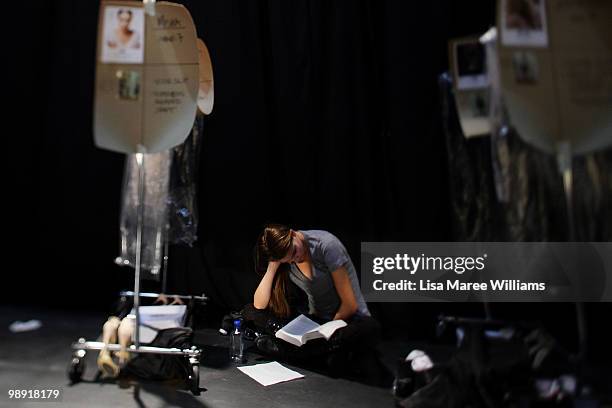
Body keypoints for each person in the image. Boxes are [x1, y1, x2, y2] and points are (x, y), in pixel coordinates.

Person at [244, 224, 390, 386]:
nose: (295, 259)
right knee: (251, 311)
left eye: (294, 252)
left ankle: (291, 351)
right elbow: (259, 305)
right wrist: (273, 266)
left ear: (293, 234)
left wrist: (327, 331)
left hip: (346, 320)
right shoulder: (287, 258)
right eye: (289, 260)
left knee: (369, 327)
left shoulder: (326, 245)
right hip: (317, 320)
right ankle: (318, 352)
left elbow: (349, 305)